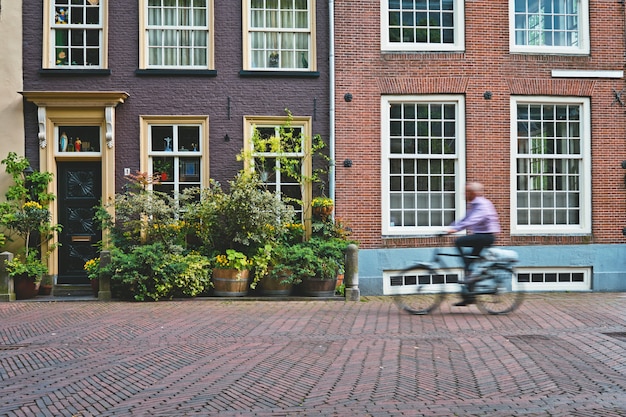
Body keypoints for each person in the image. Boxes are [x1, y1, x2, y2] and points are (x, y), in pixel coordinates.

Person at [446, 182, 501, 306]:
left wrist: (455, 230)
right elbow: (465, 219)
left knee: (459, 242)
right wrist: (450, 228)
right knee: (469, 265)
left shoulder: (481, 204)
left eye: (466, 192)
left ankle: (469, 268)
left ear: (472, 193)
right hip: (481, 236)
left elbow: (473, 220)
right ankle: (469, 297)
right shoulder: (474, 204)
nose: (464, 194)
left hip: (486, 236)